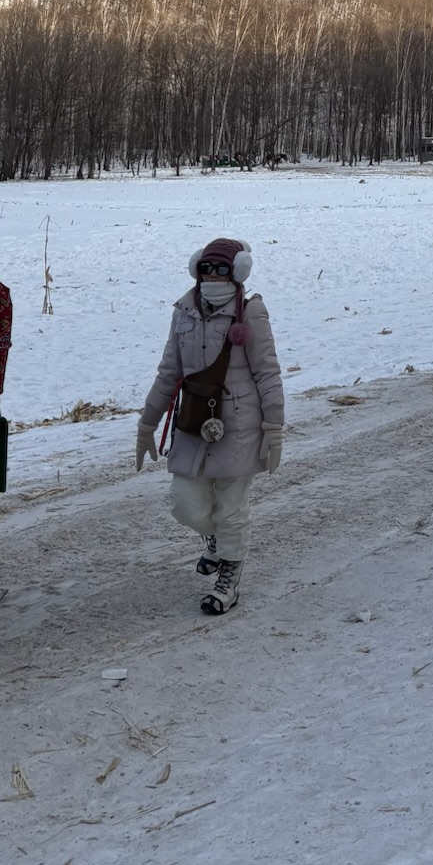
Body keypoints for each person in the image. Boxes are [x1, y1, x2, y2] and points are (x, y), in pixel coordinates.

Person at [135, 236, 285, 616]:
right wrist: (146, 424)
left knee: (232, 508)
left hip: (240, 424)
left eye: (222, 268)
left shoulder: (251, 313)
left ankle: (229, 581)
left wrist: (273, 427)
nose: (213, 275)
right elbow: (169, 371)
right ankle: (215, 540)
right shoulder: (183, 311)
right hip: (193, 421)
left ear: (238, 272)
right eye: (207, 267)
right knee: (184, 503)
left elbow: (267, 373)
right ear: (196, 268)